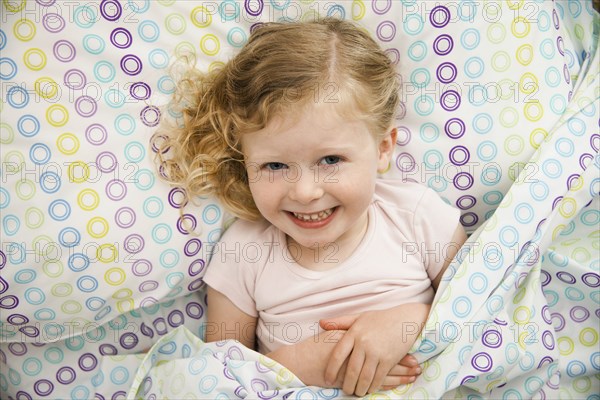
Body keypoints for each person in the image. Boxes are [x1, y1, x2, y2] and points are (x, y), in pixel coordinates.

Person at [153, 18, 467, 396]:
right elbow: (218, 376)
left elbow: (479, 305)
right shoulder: (243, 252)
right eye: (275, 166)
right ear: (245, 159)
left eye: (331, 160)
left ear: (383, 148)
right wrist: (300, 365)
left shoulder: (416, 216)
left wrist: (410, 320)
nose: (304, 192)